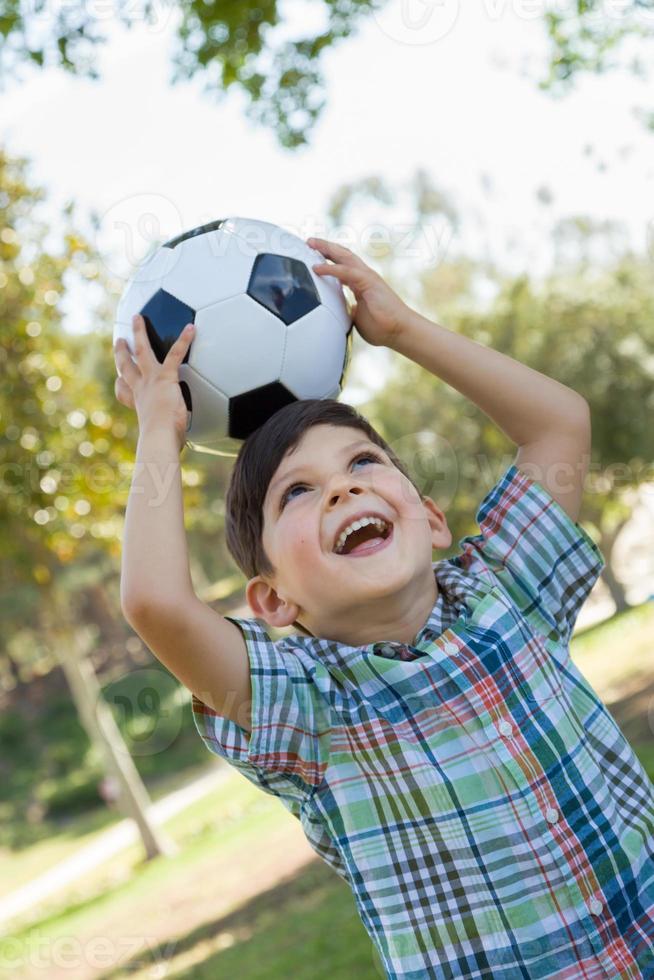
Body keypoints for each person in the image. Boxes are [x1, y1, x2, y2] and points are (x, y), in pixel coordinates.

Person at [114, 237, 654, 979]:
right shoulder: (305, 707)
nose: (342, 489)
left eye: (363, 463)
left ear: (431, 518)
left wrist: (403, 330)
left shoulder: (504, 593)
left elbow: (557, 424)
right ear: (273, 599)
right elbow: (155, 601)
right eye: (296, 493)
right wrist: (157, 432)